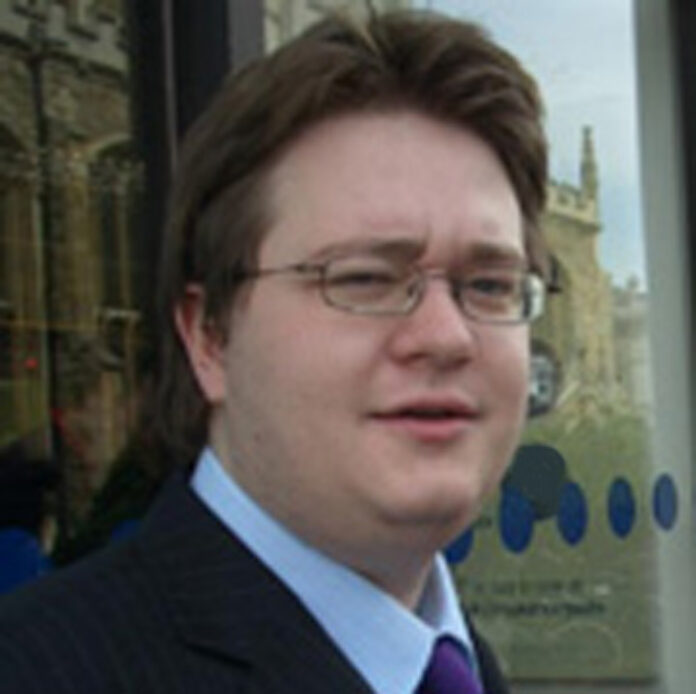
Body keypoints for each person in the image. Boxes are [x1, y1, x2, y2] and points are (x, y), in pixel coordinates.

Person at [0, 9, 548, 693]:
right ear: (209, 337)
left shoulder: (452, 667)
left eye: (490, 285)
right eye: (363, 279)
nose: (445, 336)